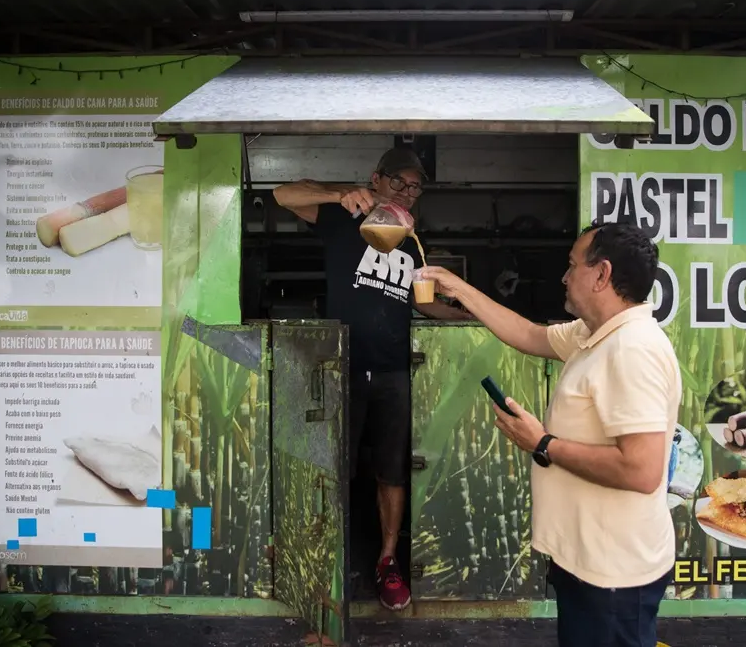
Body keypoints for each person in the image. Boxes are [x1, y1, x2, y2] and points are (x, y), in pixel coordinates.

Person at [421, 221, 680, 646]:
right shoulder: (593, 334)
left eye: (572, 264)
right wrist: (458, 287)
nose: (564, 275)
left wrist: (542, 443)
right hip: (586, 561)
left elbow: (642, 470)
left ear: (602, 275)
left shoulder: (632, 349)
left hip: (613, 572)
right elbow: (529, 334)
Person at [273, 147, 471, 611]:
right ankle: (326, 563)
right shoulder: (346, 219)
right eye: (398, 182)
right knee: (336, 469)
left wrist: (469, 310)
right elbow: (282, 193)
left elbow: (420, 302)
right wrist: (341, 192)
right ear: (376, 179)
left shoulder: (407, 239)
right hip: (340, 366)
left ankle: (386, 561)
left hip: (393, 370)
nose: (407, 192)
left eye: (415, 186)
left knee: (391, 469)